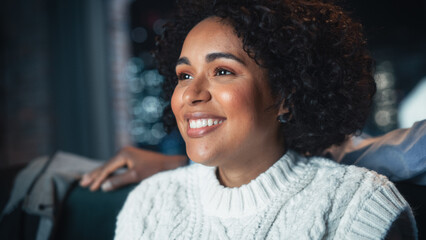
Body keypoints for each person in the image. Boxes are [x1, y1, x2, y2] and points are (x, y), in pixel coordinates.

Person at [113, 0, 418, 238]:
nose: (191, 93)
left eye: (222, 71)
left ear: (285, 96)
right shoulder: (149, 202)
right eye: (185, 74)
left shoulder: (359, 204)